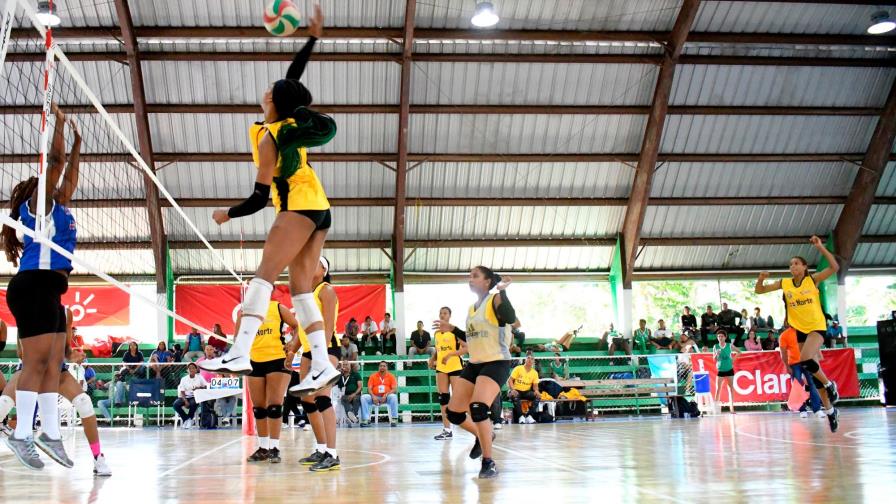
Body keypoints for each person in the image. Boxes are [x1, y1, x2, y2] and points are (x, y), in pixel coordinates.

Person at [199, 6, 341, 399]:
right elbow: (293, 78)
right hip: (320, 208)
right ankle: (322, 363)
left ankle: (239, 351)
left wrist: (227, 213)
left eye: (271, 91)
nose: (266, 91)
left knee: (263, 276)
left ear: (276, 101)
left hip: (296, 207)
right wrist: (311, 38)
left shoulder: (270, 137)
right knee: (298, 291)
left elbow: (260, 198)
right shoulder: (286, 125)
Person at [0, 103, 81, 469]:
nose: (58, 188)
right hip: (32, 287)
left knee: (54, 364)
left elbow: (70, 175)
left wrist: (80, 143)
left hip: (50, 291)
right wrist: (60, 128)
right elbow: (57, 164)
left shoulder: (61, 209)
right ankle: (20, 436)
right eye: (49, 185)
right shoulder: (37, 208)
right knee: (34, 365)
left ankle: (50, 432)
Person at [434, 266, 516, 479]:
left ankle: (489, 462)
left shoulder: (495, 299)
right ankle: (483, 435)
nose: (470, 279)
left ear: (488, 281)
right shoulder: (472, 308)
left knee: (478, 407)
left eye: (475, 276)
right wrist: (452, 329)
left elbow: (509, 316)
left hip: (496, 362)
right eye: (470, 276)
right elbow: (472, 338)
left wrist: (503, 290)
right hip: (476, 362)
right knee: (453, 413)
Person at [755, 235, 840, 431]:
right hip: (799, 329)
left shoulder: (813, 280)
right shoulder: (785, 283)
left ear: (804, 266)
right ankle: (830, 411)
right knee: (811, 369)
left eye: (796, 264)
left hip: (817, 327)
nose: (792, 267)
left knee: (806, 361)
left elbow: (834, 267)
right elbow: (759, 291)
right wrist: (761, 278)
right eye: (790, 264)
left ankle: (830, 385)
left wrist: (821, 247)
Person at [0, 345, 111, 476]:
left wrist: (71, 355)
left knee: (84, 403)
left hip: (57, 369)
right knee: (4, 403)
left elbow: (65, 347)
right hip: (30, 367)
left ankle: (98, 457)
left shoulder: (65, 323)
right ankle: (29, 434)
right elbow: (21, 352)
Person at [285, 257, 342, 472]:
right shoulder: (305, 296)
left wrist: (322, 354)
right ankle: (320, 448)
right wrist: (292, 349)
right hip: (308, 351)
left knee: (322, 398)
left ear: (324, 269)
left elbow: (328, 325)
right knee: (308, 401)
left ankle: (333, 454)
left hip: (326, 349)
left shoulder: (326, 290)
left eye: (315, 263)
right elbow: (302, 328)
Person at [239, 298, 298, 464]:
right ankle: (263, 448)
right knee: (258, 408)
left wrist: (293, 344)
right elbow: (239, 337)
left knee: (274, 406)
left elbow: (297, 326)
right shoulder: (246, 311)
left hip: (277, 359)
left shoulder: (278, 307)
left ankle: (274, 448)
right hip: (254, 360)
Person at [429, 306, 467, 440]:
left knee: (459, 398)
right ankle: (447, 430)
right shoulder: (436, 333)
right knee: (443, 398)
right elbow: (438, 349)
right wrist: (433, 358)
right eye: (440, 313)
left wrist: (451, 354)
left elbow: (466, 348)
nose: (442, 315)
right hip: (441, 367)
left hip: (455, 367)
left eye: (445, 313)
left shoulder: (454, 331)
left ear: (450, 316)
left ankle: (469, 424)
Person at [779, 327, 826, 419]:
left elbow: (813, 344)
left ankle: (817, 409)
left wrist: (818, 356)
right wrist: (787, 366)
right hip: (794, 363)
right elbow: (783, 353)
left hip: (807, 360)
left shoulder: (806, 330)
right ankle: (802, 410)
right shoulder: (784, 335)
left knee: (812, 384)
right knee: (797, 386)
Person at [360, 361, 399, 427]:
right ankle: (366, 419)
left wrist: (386, 395)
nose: (382, 367)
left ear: (387, 367)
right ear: (378, 367)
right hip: (375, 397)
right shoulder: (373, 376)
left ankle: (394, 418)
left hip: (386, 397)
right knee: (364, 397)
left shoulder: (391, 376)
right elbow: (369, 389)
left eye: (384, 366)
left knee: (394, 396)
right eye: (381, 366)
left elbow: (394, 389)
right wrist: (373, 396)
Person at [173, 363, 208, 429]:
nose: (191, 369)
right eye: (190, 368)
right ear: (187, 370)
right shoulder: (184, 379)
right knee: (175, 404)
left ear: (196, 370)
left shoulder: (199, 377)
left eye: (193, 368)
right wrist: (185, 400)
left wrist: (199, 388)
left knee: (193, 403)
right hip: (184, 396)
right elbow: (182, 391)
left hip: (195, 396)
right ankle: (187, 419)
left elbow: (206, 386)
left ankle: (189, 419)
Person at [713, 330, 740, 414]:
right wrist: (716, 354)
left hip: (729, 369)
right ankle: (716, 409)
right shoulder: (715, 346)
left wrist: (733, 360)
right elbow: (714, 359)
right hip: (720, 370)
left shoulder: (729, 345)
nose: (720, 338)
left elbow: (739, 352)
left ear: (725, 337)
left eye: (721, 336)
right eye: (719, 336)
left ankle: (732, 409)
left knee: (731, 389)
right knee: (718, 389)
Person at [508, 353, 540, 424]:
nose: (530, 360)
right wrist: (512, 390)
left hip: (526, 392)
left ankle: (529, 416)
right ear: (525, 360)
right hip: (516, 390)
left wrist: (536, 391)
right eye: (528, 358)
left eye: (532, 359)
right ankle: (521, 417)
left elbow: (535, 385)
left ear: (533, 362)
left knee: (537, 396)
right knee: (514, 396)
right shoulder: (518, 368)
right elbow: (510, 380)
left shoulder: (534, 373)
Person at [335, 361, 362, 426]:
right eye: (343, 365)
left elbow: (360, 387)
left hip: (356, 394)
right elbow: (332, 383)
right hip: (345, 395)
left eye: (347, 364)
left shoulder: (355, 374)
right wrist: (338, 373)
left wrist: (354, 394)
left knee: (356, 399)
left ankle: (350, 417)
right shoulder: (340, 376)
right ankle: (353, 418)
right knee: (344, 398)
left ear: (350, 366)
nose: (345, 366)